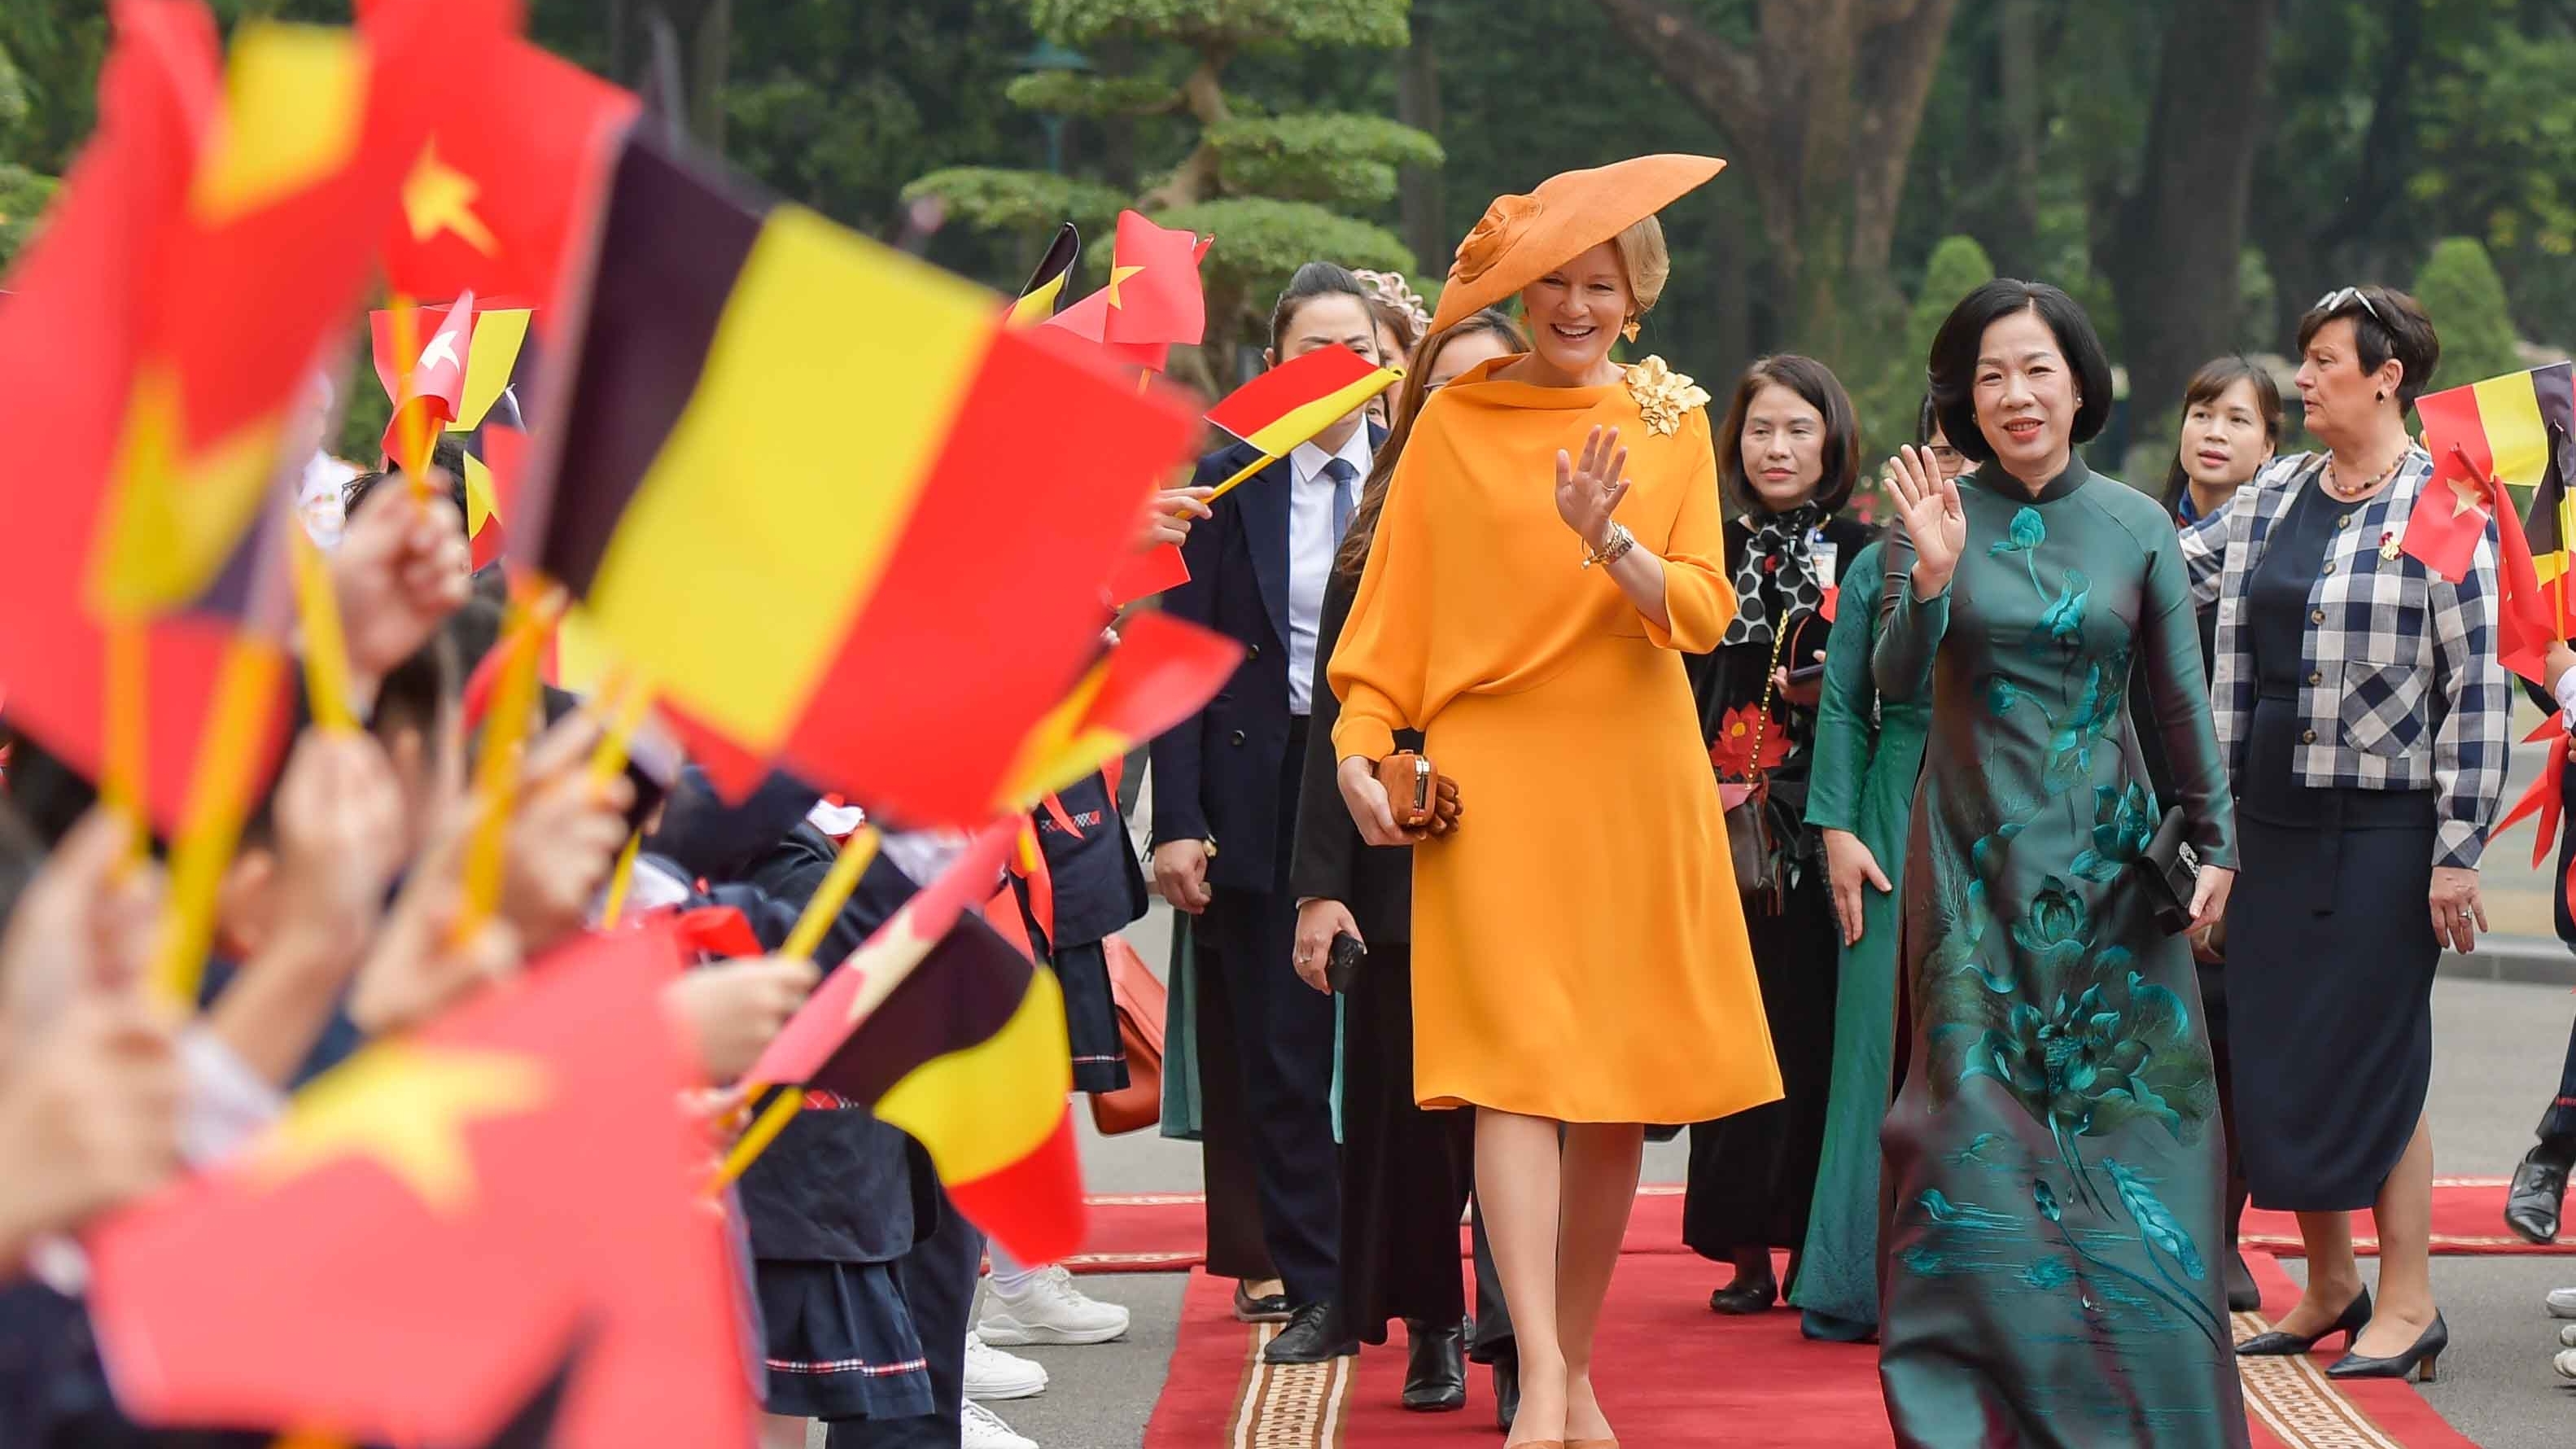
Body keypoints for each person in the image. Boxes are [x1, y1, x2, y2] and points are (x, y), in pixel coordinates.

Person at [1328, 154, 1778, 1449]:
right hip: (1493, 790)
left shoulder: (1669, 417)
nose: (1576, 306)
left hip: (1633, 781)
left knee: (1609, 1093)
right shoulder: (1454, 427)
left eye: (1601, 285)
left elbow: (1699, 615)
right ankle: (1530, 1380)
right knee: (1508, 1078)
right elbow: (1383, 637)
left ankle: (1573, 1370)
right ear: (1521, 297)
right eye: (1554, 285)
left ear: (1635, 300)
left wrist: (1611, 539)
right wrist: (1363, 751)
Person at [1874, 278, 2241, 1446]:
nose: (2015, 394)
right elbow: (1889, 683)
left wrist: (2217, 845)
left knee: (2139, 1153)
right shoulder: (1931, 513)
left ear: (2079, 382)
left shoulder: (2138, 524)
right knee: (1968, 1150)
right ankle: (1974, 1420)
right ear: (1962, 397)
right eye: (1989, 375)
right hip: (1969, 882)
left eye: (2036, 369)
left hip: (2115, 884)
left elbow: (2179, 707)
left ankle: (2147, 1417)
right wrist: (1928, 583)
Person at [2196, 286, 2503, 1384]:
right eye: (2305, 357)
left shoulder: (2443, 506)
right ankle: (2331, 1285)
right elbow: (2175, 569)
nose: (2305, 377)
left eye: (2326, 359)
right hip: (2264, 820)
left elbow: (2474, 688)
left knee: (2374, 1058)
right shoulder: (2274, 492)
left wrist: (2459, 848)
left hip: (2382, 831)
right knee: (2279, 1052)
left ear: (2388, 377)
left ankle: (2410, 1301)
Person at [1149, 261, 1388, 1363]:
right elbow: (1182, 655)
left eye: (1354, 350)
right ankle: (1316, 1288)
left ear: (1384, 363)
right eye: (1308, 352)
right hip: (1263, 781)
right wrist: (1178, 819)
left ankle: (1422, 1294)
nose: (1331, 371)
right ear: (1273, 367)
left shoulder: (1422, 469)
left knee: (1405, 1046)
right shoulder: (1224, 483)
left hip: (1389, 778)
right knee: (1282, 1057)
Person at [1289, 307, 1524, 1421]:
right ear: (1413, 403)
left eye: (1498, 385)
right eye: (1450, 387)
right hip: (1401, 853)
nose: (1472, 408)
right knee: (1410, 1107)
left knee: (1529, 1103)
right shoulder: (1369, 543)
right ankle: (1433, 1322)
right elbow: (1333, 722)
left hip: (1535, 851)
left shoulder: (1566, 526)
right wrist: (1320, 887)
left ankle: (1523, 1333)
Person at [1681, 356, 1873, 1315]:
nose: (1778, 447)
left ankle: (1818, 1239)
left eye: (1799, 429)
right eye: (1761, 430)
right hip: (1721, 820)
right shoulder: (1703, 551)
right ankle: (1743, 1244)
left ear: (1832, 439)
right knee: (1733, 1025)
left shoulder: (1866, 549)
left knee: (1822, 1032)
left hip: (1830, 821)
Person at [1788, 400, 1960, 1342]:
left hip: (2005, 796)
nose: (1953, 470)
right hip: (1891, 798)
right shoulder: (1878, 562)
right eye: (1941, 449)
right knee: (1872, 1046)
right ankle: (1855, 1277)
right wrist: (1836, 829)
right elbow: (1846, 705)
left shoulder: (2046, 548)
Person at [2139, 356, 2281, 1313]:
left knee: (2226, 1027)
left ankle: (2220, 1231)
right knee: (2135, 1020)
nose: (2213, 431)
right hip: (2131, 791)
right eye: (2200, 412)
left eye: (2238, 418)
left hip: (2232, 804)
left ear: (2274, 446)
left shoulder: (2279, 554)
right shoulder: (2139, 531)